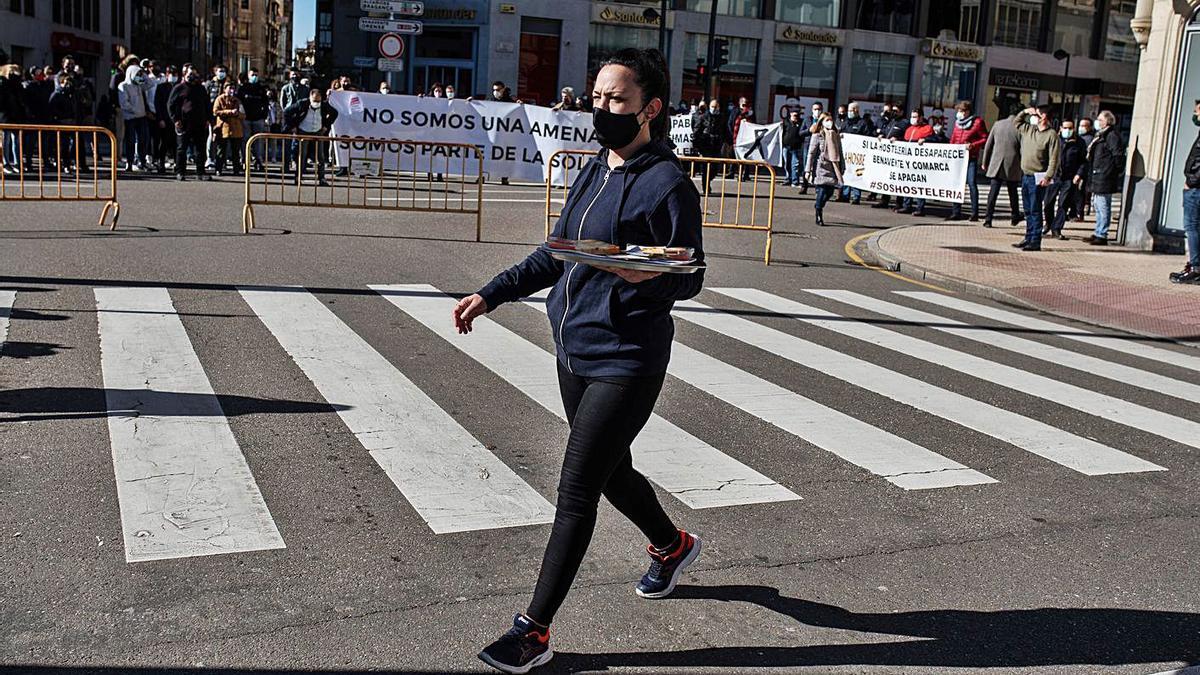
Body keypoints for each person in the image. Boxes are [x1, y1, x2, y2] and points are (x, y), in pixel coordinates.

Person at [458, 47, 703, 675]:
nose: (601, 108)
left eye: (615, 100)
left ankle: (532, 632)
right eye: (596, 97)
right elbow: (558, 253)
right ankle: (672, 545)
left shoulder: (667, 183)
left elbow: (688, 273)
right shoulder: (595, 168)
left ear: (650, 108)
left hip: (627, 358)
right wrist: (492, 292)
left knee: (576, 488)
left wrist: (635, 267)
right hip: (574, 349)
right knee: (611, 471)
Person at [1011, 105, 1061, 251]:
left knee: (1035, 209)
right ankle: (1028, 237)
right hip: (1026, 175)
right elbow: (1017, 122)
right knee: (1027, 209)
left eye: (1037, 115)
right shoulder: (1029, 129)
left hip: (1038, 177)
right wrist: (1025, 112)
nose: (1033, 117)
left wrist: (1048, 176)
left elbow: (1054, 158)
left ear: (1044, 117)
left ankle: (1035, 240)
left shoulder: (1051, 135)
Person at [1082, 110, 1124, 246]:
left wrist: (1111, 171)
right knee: (1098, 205)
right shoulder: (1100, 135)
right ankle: (1098, 231)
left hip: (1104, 175)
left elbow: (1117, 156)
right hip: (1097, 174)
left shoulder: (1111, 136)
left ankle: (1102, 234)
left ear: (1107, 121)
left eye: (1100, 119)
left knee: (1103, 205)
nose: (1097, 122)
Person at [1042, 118, 1087, 240]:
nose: (1068, 130)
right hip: (1054, 176)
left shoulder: (1079, 143)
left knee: (1063, 204)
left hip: (1069, 178)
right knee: (1048, 203)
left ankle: (1057, 229)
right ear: (1060, 129)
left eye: (1070, 128)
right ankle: (1049, 224)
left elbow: (1083, 161)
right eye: (1065, 128)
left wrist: (1079, 174)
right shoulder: (1055, 140)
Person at [284, 86, 338, 187]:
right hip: (303, 131)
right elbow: (287, 112)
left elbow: (334, 113)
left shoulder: (324, 105)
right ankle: (298, 178)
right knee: (302, 156)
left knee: (320, 157)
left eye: (318, 100)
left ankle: (322, 178)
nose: (316, 102)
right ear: (310, 97)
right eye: (314, 100)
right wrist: (293, 127)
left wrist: (326, 126)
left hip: (317, 131)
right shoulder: (302, 103)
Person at [1171, 101, 1200, 284]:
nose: (1195, 114)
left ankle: (1196, 268)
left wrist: (1191, 181)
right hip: (1195, 187)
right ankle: (1194, 266)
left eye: (1198, 111)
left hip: (1196, 189)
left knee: (1192, 227)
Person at [168, 64, 213, 181]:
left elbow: (207, 104)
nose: (191, 77)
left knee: (200, 149)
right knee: (182, 149)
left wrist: (208, 119)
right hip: (184, 123)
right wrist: (175, 120)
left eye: (194, 74)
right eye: (189, 74)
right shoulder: (179, 88)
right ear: (184, 75)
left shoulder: (201, 88)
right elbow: (170, 105)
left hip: (199, 123)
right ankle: (180, 172)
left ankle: (200, 172)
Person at [980, 108, 1024, 228]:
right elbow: (1023, 149)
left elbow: (989, 145)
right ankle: (1015, 215)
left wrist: (985, 162)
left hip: (996, 163)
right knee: (1013, 192)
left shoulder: (998, 124)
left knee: (993, 193)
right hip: (1013, 164)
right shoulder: (1020, 127)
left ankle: (988, 219)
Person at [947, 100, 988, 221]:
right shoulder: (957, 123)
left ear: (968, 112)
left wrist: (973, 145)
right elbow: (953, 139)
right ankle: (956, 211)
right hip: (958, 158)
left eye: (961, 111)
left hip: (971, 158)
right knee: (957, 184)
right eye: (958, 111)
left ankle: (974, 213)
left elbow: (985, 138)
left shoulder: (977, 122)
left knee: (971, 184)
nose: (959, 113)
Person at [806, 111, 843, 226]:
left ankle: (819, 204)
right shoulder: (817, 135)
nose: (830, 122)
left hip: (833, 167)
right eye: (827, 120)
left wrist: (842, 167)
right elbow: (811, 153)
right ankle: (818, 212)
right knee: (822, 191)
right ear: (822, 122)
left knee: (829, 192)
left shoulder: (835, 134)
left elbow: (840, 152)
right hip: (821, 166)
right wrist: (808, 170)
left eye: (831, 120)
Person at [871, 102, 909, 209]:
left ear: (901, 112)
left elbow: (907, 139)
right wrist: (881, 135)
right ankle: (884, 200)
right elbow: (885, 131)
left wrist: (899, 140)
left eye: (896, 111)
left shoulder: (905, 123)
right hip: (888, 155)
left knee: (898, 179)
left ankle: (899, 202)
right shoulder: (891, 121)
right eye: (893, 111)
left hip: (898, 156)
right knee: (886, 177)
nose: (894, 113)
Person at [897, 110, 934, 216]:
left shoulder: (927, 129)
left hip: (920, 162)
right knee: (907, 182)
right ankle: (906, 205)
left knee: (919, 184)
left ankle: (920, 207)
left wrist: (926, 140)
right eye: (912, 116)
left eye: (916, 117)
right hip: (908, 161)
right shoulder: (909, 129)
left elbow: (935, 140)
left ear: (921, 117)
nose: (914, 119)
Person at [117, 63, 152, 172]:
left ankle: (142, 161)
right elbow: (124, 103)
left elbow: (150, 84)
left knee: (143, 140)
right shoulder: (123, 86)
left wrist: (144, 74)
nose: (139, 76)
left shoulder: (138, 84)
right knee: (130, 141)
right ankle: (129, 162)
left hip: (141, 117)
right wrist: (135, 111)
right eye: (137, 74)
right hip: (130, 118)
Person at [839, 102, 875, 204]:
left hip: (858, 155)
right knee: (846, 173)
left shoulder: (862, 123)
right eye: (849, 110)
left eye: (851, 110)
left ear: (856, 110)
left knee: (857, 174)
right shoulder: (846, 122)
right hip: (846, 154)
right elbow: (841, 132)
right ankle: (845, 195)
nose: (849, 112)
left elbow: (868, 136)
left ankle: (856, 196)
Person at [692, 99, 728, 194]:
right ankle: (705, 187)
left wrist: (730, 141)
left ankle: (709, 180)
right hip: (706, 146)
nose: (714, 109)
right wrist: (696, 145)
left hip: (716, 146)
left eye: (716, 107)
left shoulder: (722, 118)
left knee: (715, 168)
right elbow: (697, 131)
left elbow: (725, 130)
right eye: (712, 107)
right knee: (706, 168)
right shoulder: (703, 117)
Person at [240, 68, 270, 171]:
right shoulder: (243, 88)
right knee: (245, 140)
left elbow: (266, 103)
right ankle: (245, 161)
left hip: (258, 118)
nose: (254, 77)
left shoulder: (261, 89)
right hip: (246, 119)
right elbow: (239, 102)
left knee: (259, 141)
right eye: (253, 74)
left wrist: (264, 116)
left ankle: (259, 161)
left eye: (256, 75)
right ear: (248, 75)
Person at [212, 82, 245, 176]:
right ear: (225, 89)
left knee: (236, 151)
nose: (232, 90)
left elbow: (243, 115)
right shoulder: (219, 99)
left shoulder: (237, 101)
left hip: (236, 129)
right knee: (221, 151)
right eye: (230, 88)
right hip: (223, 129)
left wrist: (237, 114)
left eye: (233, 88)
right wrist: (229, 112)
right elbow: (215, 111)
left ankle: (236, 169)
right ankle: (218, 169)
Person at [280, 70, 309, 170]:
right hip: (289, 117)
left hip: (301, 117)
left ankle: (300, 165)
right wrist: (287, 115)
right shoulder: (285, 88)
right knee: (287, 143)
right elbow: (283, 103)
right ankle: (286, 165)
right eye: (293, 74)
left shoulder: (305, 89)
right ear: (289, 76)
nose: (295, 76)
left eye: (296, 74)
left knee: (300, 143)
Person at [152, 66, 179, 173]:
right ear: (167, 75)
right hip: (165, 119)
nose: (173, 76)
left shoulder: (179, 87)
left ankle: (177, 164)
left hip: (176, 120)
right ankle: (161, 163)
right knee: (163, 143)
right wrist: (160, 119)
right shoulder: (161, 87)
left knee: (176, 144)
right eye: (170, 74)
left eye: (175, 74)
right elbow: (158, 104)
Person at [1075, 117, 1096, 219]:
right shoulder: (1077, 137)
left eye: (1084, 126)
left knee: (1081, 191)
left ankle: (1080, 211)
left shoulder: (1089, 140)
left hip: (1086, 169)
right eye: (1080, 125)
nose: (1081, 128)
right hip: (1078, 168)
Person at [781, 108, 805, 188]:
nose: (796, 117)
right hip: (786, 146)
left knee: (795, 165)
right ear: (790, 114)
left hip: (797, 147)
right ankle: (788, 179)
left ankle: (795, 181)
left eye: (797, 115)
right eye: (795, 115)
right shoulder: (785, 122)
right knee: (787, 164)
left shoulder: (801, 122)